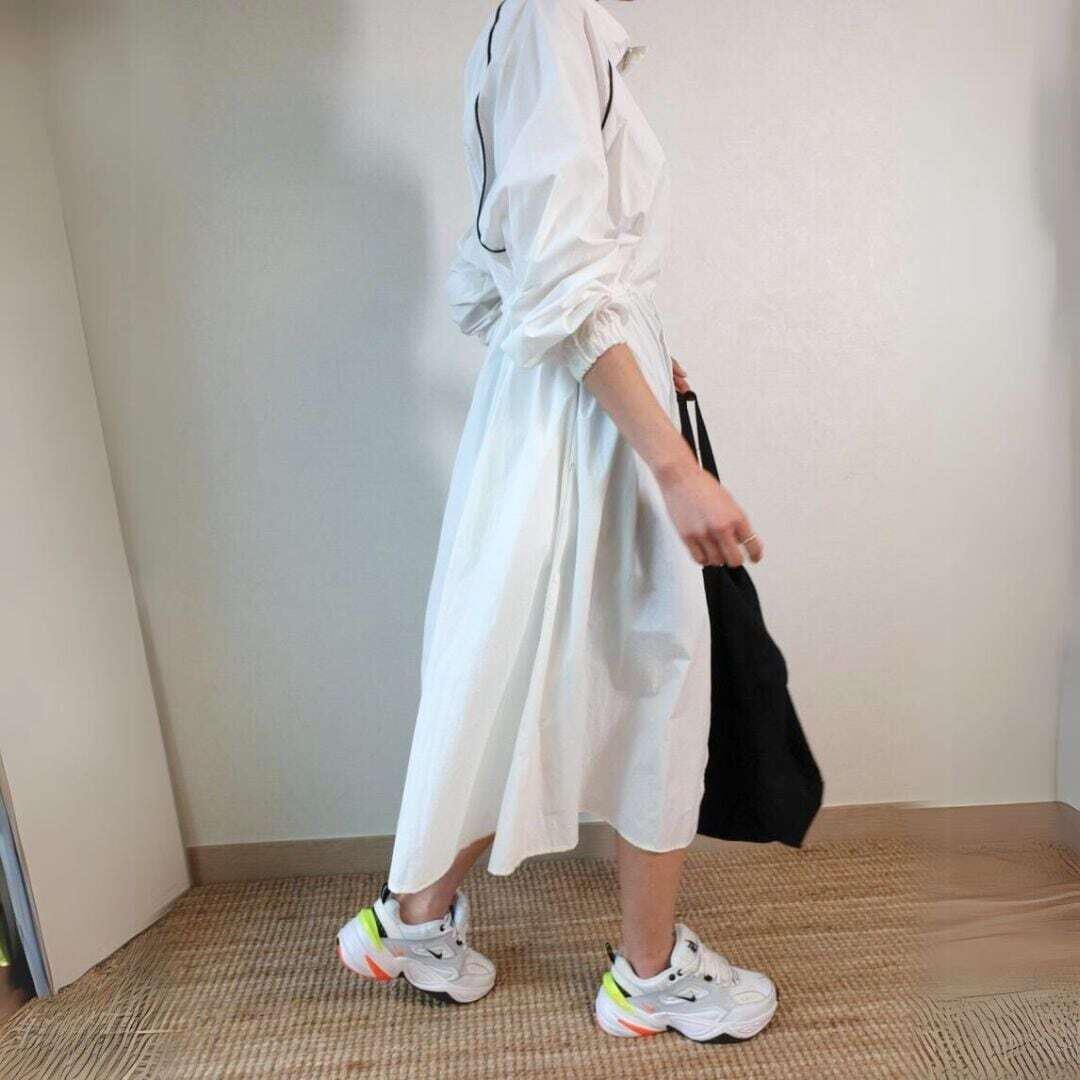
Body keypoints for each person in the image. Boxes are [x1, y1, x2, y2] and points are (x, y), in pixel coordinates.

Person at [337, 0, 778, 1042]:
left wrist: (638, 341)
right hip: (589, 427)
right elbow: (557, 269)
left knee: (517, 671)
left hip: (554, 407)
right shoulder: (553, 19)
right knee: (656, 674)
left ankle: (414, 919)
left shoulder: (521, 27)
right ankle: (648, 978)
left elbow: (499, 273)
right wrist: (671, 463)